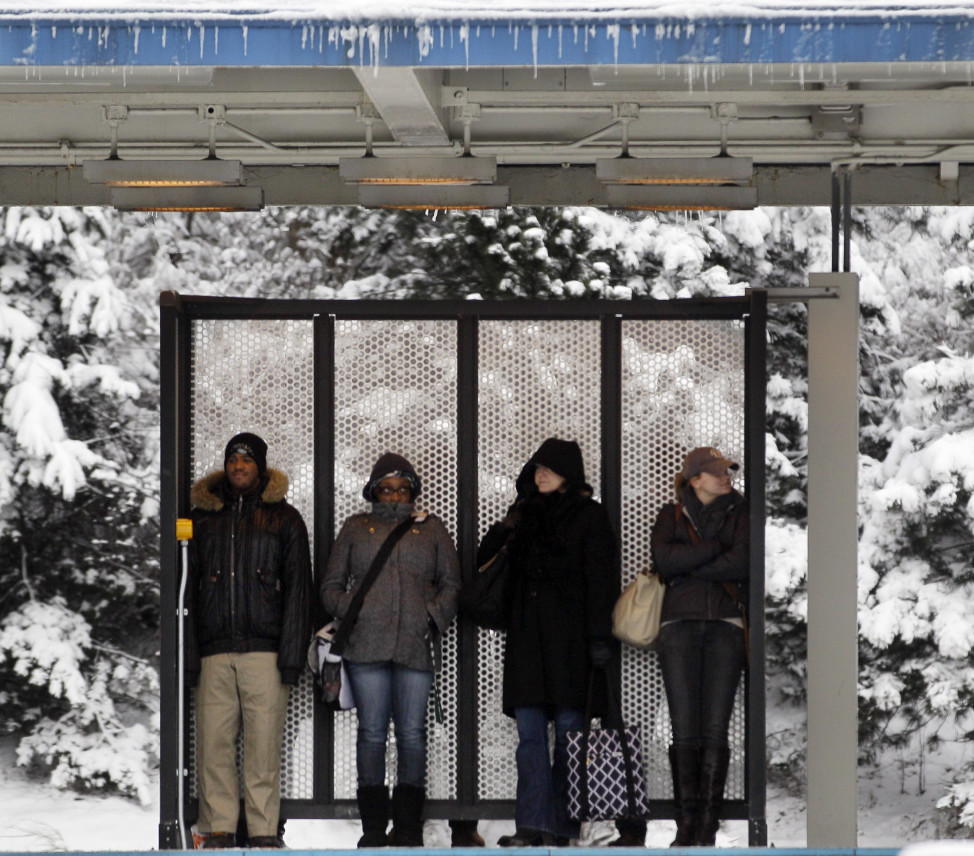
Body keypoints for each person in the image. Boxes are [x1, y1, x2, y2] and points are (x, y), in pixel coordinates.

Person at [478, 438, 620, 847]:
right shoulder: (523, 515)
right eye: (537, 468)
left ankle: (561, 826)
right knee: (530, 740)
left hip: (571, 643)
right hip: (526, 641)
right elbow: (484, 563)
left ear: (568, 476)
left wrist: (598, 638)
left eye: (550, 469)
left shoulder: (589, 517)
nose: (541, 475)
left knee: (571, 738)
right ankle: (531, 825)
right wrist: (507, 524)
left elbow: (601, 581)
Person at [321, 452, 462, 848]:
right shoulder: (355, 528)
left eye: (403, 489)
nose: (396, 496)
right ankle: (372, 829)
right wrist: (356, 611)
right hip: (365, 649)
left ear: (413, 491)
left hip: (415, 648)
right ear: (373, 490)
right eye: (387, 488)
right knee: (371, 734)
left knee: (414, 736)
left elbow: (452, 583)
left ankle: (408, 828)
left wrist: (431, 617)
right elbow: (330, 586)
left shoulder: (432, 529)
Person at [186, 432, 311, 849]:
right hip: (214, 651)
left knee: (262, 750)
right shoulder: (203, 518)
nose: (238, 465)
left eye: (246, 458)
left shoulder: (285, 518)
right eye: (232, 458)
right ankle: (219, 830)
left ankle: (262, 833)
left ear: (260, 464)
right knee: (213, 747)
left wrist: (291, 657)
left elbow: (299, 592)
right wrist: (189, 655)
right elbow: (186, 590)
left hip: (266, 652)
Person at [650, 446, 749, 847]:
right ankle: (685, 824)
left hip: (725, 624)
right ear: (695, 480)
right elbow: (662, 561)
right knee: (684, 726)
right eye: (716, 472)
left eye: (727, 470)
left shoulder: (741, 512)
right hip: (677, 626)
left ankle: (706, 826)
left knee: (715, 728)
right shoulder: (670, 514)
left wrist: (687, 563)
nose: (725, 476)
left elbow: (742, 562)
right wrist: (711, 553)